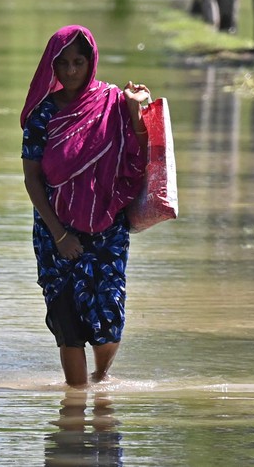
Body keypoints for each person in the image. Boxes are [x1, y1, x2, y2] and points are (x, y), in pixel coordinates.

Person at [20, 24, 152, 386]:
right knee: (68, 323)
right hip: (55, 231)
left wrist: (134, 111)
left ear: (91, 61)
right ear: (52, 66)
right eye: (63, 64)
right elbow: (32, 179)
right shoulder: (42, 116)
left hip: (107, 227)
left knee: (108, 319)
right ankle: (74, 410)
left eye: (79, 62)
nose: (71, 71)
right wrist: (60, 235)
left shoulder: (111, 102)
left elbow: (138, 156)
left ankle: (101, 379)